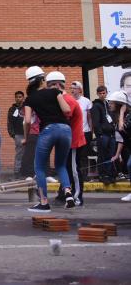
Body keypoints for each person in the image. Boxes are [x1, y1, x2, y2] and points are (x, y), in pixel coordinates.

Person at [23, 68, 73, 213]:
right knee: (61, 165)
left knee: (39, 168)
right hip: (65, 129)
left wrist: (26, 138)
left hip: (48, 130)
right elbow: (67, 110)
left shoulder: (30, 99)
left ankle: (44, 202)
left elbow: (27, 121)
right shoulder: (55, 92)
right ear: (43, 80)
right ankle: (68, 194)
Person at [54, 78, 86, 207]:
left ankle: (78, 197)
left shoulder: (67, 100)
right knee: (65, 168)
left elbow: (64, 117)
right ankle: (64, 194)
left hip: (74, 141)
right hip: (67, 140)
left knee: (74, 170)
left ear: (57, 85)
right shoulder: (63, 99)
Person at [91, 85, 115, 184]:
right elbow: (95, 122)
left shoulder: (108, 104)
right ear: (97, 94)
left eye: (103, 93)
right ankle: (103, 174)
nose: (102, 95)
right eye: (100, 93)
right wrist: (99, 134)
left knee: (111, 154)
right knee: (102, 155)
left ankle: (110, 174)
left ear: (106, 93)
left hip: (111, 134)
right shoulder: (96, 105)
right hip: (103, 135)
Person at [70, 81, 93, 179]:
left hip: (85, 132)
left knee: (84, 154)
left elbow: (89, 117)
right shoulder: (70, 101)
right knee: (74, 155)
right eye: (71, 88)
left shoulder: (86, 101)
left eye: (74, 88)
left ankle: (84, 175)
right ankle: (74, 174)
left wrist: (91, 130)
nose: (72, 90)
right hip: (73, 133)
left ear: (80, 90)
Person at [7, 91, 26, 177]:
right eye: (17, 97)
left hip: (28, 134)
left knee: (28, 152)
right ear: (15, 98)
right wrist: (13, 134)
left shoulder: (27, 107)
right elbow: (9, 122)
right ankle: (17, 171)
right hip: (18, 134)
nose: (18, 99)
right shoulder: (12, 109)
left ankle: (26, 170)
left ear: (23, 97)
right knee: (19, 153)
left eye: (20, 97)